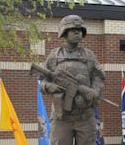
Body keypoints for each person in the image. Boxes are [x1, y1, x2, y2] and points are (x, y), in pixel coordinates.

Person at [39, 15, 105, 145]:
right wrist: (49, 87)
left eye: (79, 29)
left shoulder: (89, 56)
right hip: (61, 119)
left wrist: (94, 92)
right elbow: (42, 82)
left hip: (85, 117)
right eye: (73, 29)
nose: (77, 32)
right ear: (64, 32)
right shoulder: (54, 56)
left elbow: (99, 77)